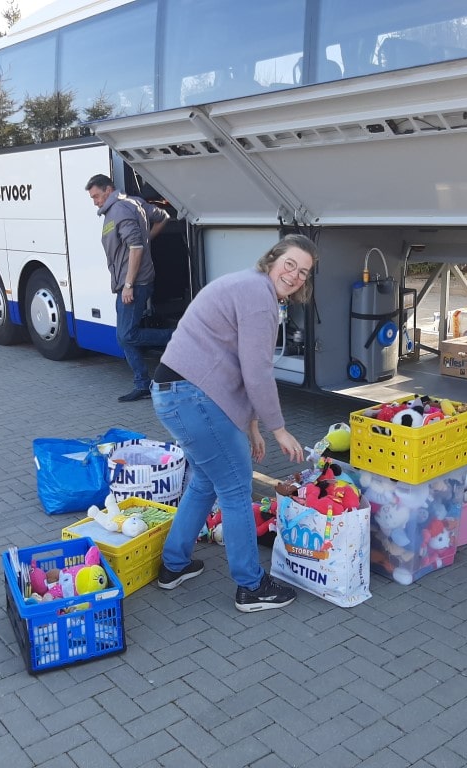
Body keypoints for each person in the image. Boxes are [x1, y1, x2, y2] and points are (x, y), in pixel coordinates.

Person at [151, 234, 315, 612]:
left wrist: (252, 426)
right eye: (290, 264)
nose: (295, 275)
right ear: (273, 259)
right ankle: (251, 586)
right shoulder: (259, 298)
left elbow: (237, 367)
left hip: (178, 393)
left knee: (207, 481)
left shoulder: (250, 286)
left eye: (304, 272)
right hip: (191, 396)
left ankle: (173, 566)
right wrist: (278, 428)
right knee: (237, 490)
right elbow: (256, 372)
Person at [85, 173, 173, 402]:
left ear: (107, 190)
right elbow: (163, 217)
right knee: (124, 336)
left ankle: (176, 337)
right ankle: (142, 384)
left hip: (134, 283)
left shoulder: (119, 210)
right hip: (133, 281)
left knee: (126, 335)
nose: (94, 201)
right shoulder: (134, 202)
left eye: (96, 196)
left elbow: (135, 247)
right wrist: (147, 239)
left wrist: (128, 285)